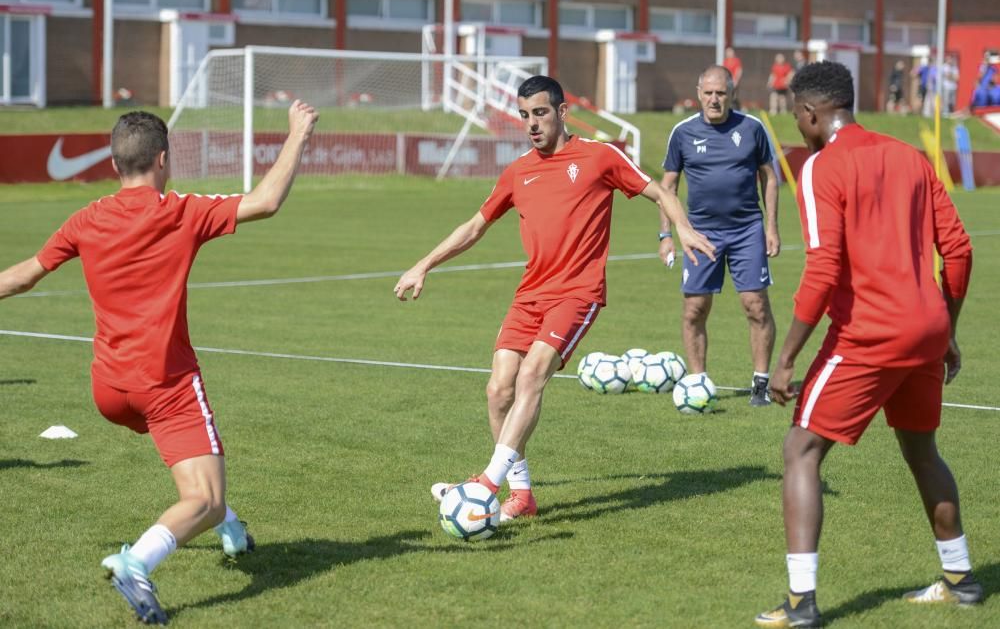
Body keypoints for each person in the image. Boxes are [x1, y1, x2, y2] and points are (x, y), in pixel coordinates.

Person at [0, 102, 318, 624]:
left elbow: (25, 275)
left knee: (194, 468)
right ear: (164, 160)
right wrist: (298, 134)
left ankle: (231, 530)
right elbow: (265, 202)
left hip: (109, 392)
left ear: (114, 164)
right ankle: (137, 561)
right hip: (164, 386)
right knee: (206, 497)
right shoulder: (179, 210)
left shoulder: (86, 218)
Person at [393, 75, 715, 521]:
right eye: (524, 115)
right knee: (498, 389)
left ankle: (487, 484)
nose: (531, 124)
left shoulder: (600, 157)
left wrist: (680, 227)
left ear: (562, 113)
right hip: (530, 293)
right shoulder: (518, 170)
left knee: (532, 376)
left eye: (540, 113)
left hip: (577, 294)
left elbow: (658, 189)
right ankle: (521, 496)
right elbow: (474, 227)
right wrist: (423, 264)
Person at [755, 61, 978, 628]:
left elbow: (823, 268)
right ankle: (960, 579)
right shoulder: (910, 156)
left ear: (808, 112)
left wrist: (784, 360)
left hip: (870, 333)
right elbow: (959, 251)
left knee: (800, 451)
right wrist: (945, 328)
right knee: (922, 450)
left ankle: (801, 603)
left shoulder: (820, 167)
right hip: (926, 328)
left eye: (797, 116)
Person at [657, 65, 780, 406]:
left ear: (731, 94)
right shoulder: (682, 132)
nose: (714, 99)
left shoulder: (752, 128)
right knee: (695, 308)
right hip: (699, 233)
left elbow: (770, 178)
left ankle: (760, 382)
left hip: (746, 230)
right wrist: (665, 235)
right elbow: (667, 187)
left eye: (721, 93)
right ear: (699, 93)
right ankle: (697, 382)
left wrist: (771, 227)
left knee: (755, 305)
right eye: (708, 93)